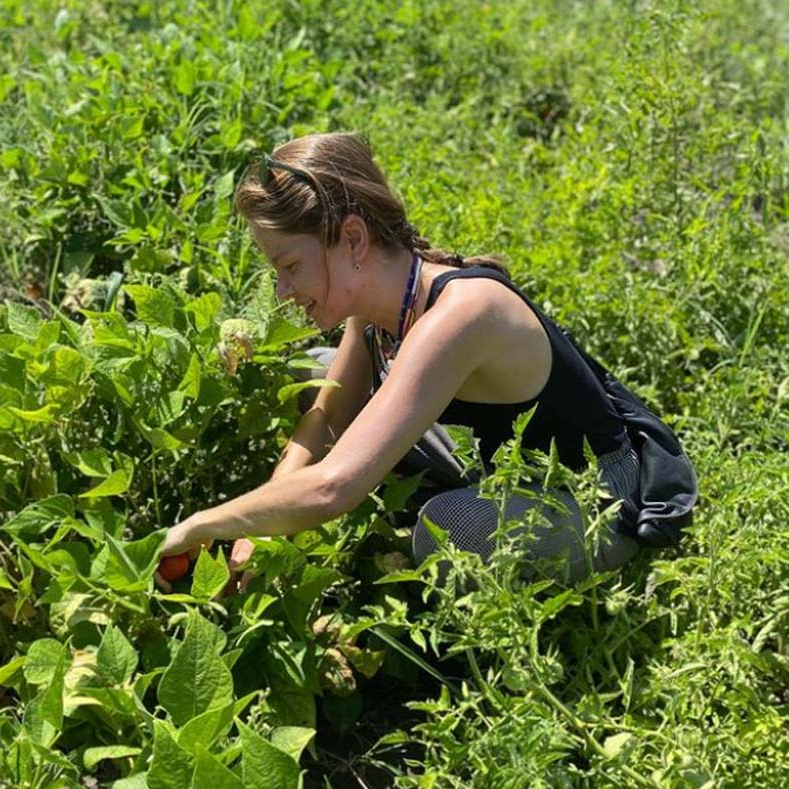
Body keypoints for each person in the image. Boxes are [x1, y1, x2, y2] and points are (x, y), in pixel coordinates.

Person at [156, 131, 659, 593]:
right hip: (504, 462)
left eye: (290, 267)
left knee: (445, 530)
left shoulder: (462, 313)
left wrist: (205, 522)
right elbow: (329, 414)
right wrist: (268, 518)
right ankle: (448, 495)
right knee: (314, 370)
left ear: (353, 239)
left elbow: (333, 488)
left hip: (592, 498)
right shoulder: (380, 305)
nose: (283, 291)